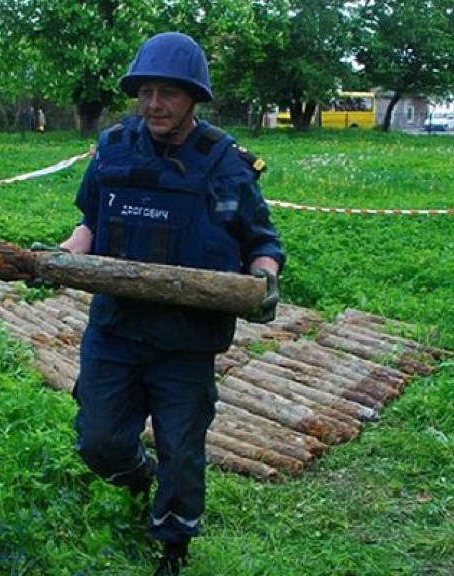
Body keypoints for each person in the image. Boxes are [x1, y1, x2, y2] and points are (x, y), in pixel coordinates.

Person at [58, 31, 285, 576]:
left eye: (169, 93)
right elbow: (90, 221)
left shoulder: (227, 164)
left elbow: (262, 241)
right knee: (98, 441)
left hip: (185, 343)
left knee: (182, 452)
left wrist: (262, 276)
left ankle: (173, 545)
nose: (155, 105)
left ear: (194, 98)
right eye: (146, 92)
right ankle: (137, 475)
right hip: (116, 329)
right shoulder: (113, 149)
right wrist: (65, 254)